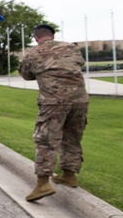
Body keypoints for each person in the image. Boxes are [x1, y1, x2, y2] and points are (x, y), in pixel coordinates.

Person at [18, 24, 89, 202]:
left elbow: (26, 74)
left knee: (46, 139)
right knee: (72, 136)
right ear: (53, 34)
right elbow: (79, 64)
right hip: (80, 100)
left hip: (53, 101)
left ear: (36, 37)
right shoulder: (72, 48)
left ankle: (43, 183)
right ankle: (69, 175)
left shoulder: (34, 53)